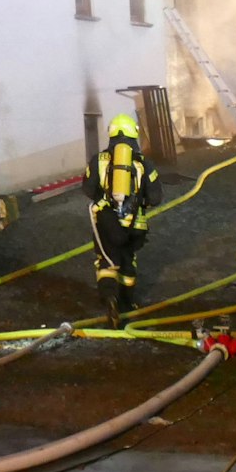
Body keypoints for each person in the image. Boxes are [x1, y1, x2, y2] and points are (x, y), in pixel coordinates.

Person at [85, 114, 162, 326]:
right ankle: (128, 303)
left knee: (106, 261)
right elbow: (156, 197)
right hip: (134, 226)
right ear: (134, 135)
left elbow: (88, 189)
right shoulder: (145, 164)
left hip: (106, 222)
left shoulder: (97, 160)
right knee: (128, 260)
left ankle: (110, 299)